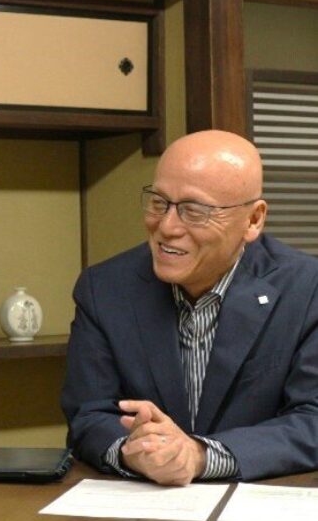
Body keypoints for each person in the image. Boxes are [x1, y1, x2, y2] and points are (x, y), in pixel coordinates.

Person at [62, 129, 318, 485]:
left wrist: (200, 456)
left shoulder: (307, 288)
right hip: (145, 499)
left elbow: (312, 419)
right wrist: (134, 451)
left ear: (253, 220)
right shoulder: (104, 288)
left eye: (194, 211)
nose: (167, 227)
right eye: (159, 203)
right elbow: (88, 415)